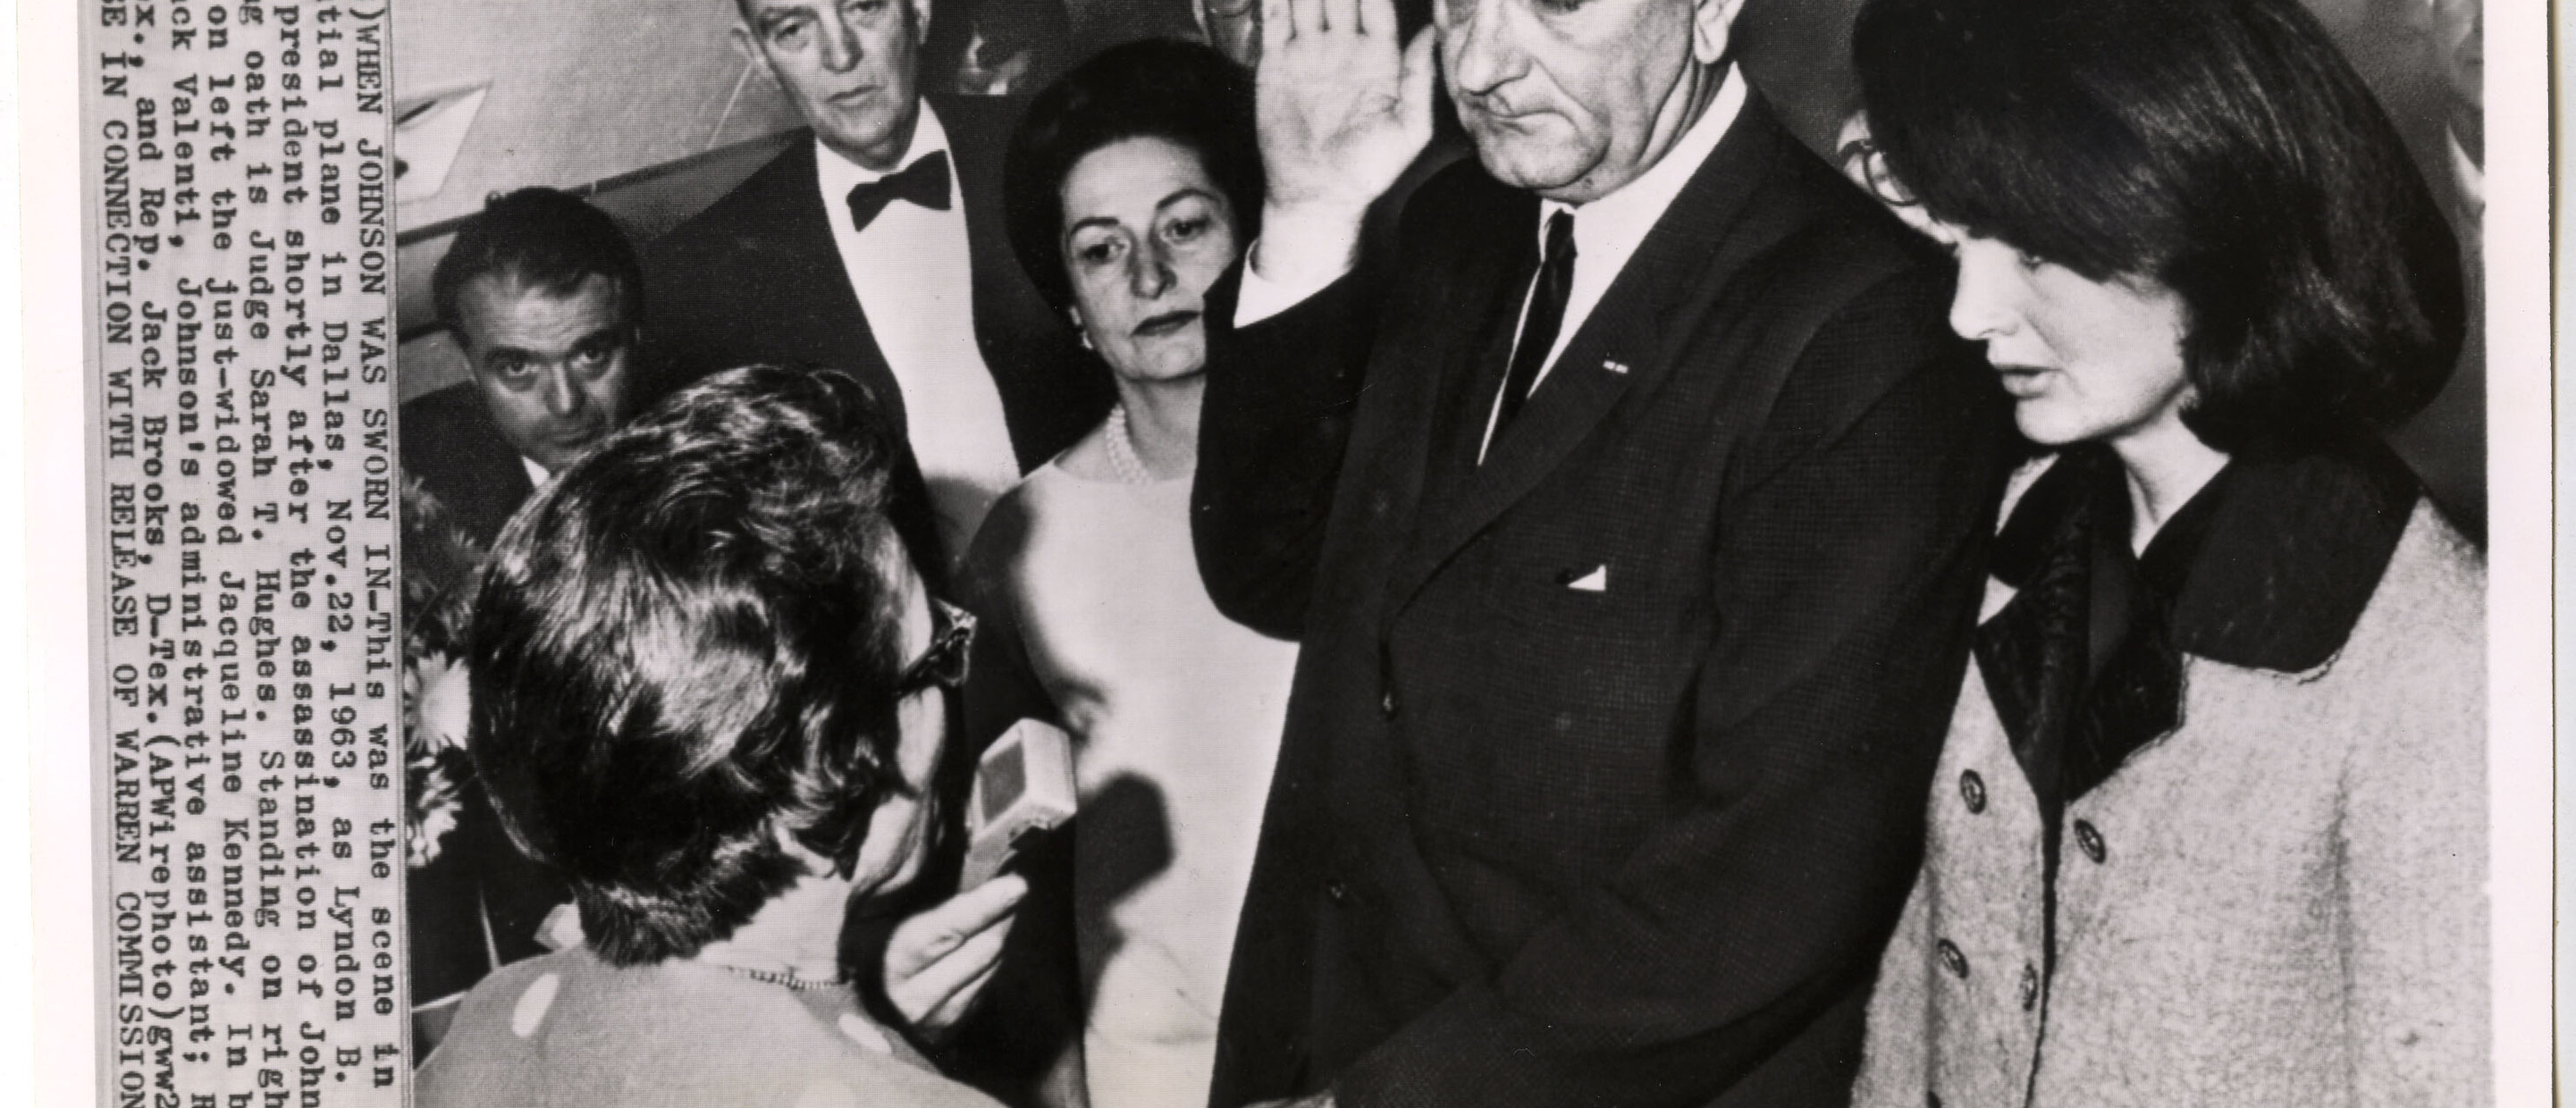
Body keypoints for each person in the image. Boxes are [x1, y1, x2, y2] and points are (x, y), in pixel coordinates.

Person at [1189, 0, 2013, 1103]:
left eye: (1557, 3)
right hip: (1331, 1049)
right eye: (1457, 2)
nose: (1479, 62)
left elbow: (1762, 886)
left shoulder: (1866, 333)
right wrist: (1308, 211)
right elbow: (1270, 568)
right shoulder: (1446, 224)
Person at [1839, 0, 2486, 1104]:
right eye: (1958, 237)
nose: (1967, 310)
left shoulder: (2434, 664)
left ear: (2217, 231)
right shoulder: (2015, 528)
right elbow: (1923, 1000)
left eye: (2035, 250)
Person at [417, 366, 1031, 1108]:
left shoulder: (490, 1018)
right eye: (937, 657)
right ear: (830, 757)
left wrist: (872, 1030)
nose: (950, 694)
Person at [959, 38, 1292, 1108]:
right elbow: (1004, 874)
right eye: (1101, 252)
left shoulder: (1367, 476)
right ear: (1070, 305)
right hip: (1152, 1069)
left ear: (1254, 237)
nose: (1149, 278)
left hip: (1371, 1050)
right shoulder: (1023, 543)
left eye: (1184, 228)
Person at [641, 0, 1114, 566]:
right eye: (793, 29)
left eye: (863, 7)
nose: (841, 55)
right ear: (759, 56)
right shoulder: (705, 271)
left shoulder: (1061, 153)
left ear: (918, 12)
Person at [398, 186, 642, 1029]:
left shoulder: (718, 464)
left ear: (635, 335)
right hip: (542, 932)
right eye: (518, 368)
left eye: (592, 354)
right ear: (468, 365)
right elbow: (420, 795)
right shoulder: (412, 508)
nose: (566, 403)